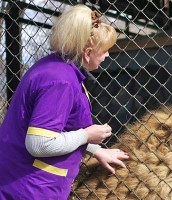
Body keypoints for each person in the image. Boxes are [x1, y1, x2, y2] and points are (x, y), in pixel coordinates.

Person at [0, 4, 129, 200]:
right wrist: (87, 135)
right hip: (29, 189)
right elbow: (39, 143)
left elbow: (62, 128)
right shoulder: (61, 82)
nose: (107, 55)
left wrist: (96, 151)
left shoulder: (55, 67)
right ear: (87, 52)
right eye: (104, 50)